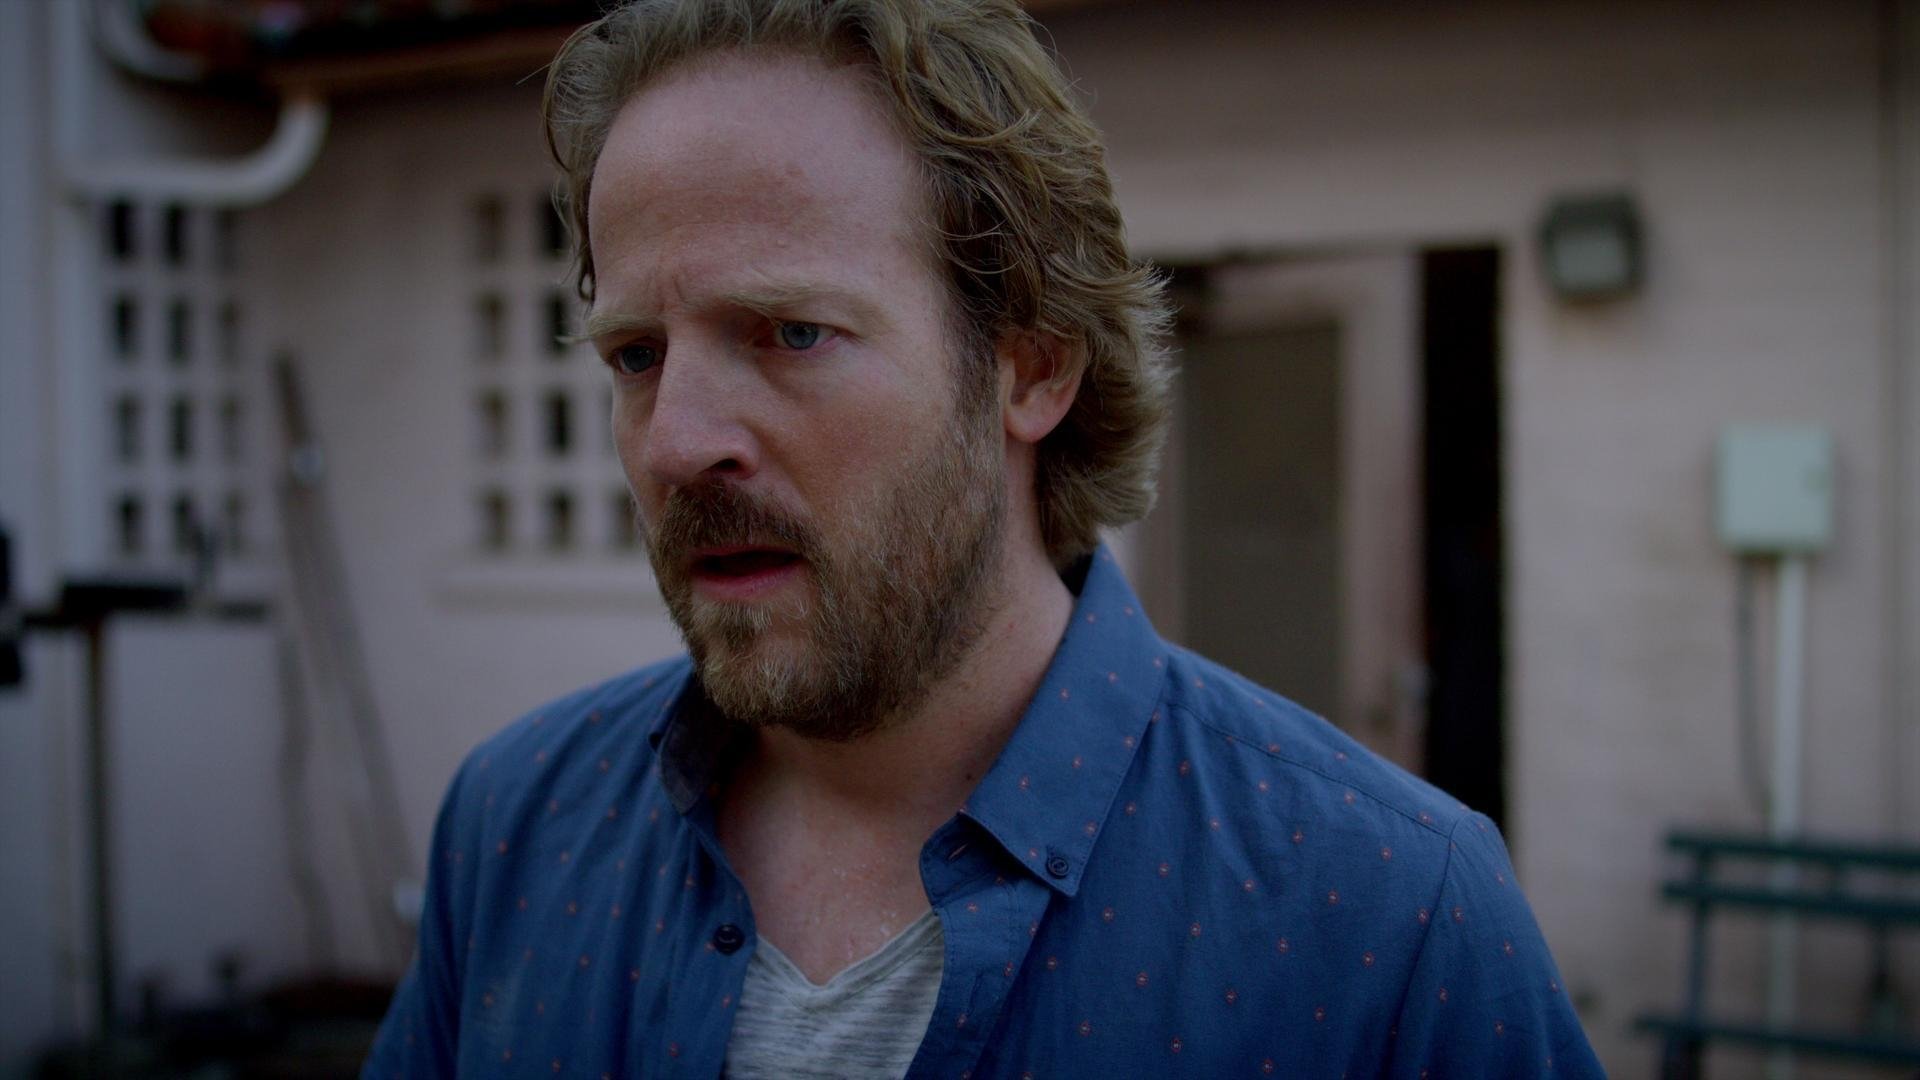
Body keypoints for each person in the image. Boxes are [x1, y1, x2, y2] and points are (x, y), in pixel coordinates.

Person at [364, 0, 1603, 1075]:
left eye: (791, 333)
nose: (676, 442)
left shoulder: (1392, 917)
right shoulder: (516, 828)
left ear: (1033, 367)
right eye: (637, 355)